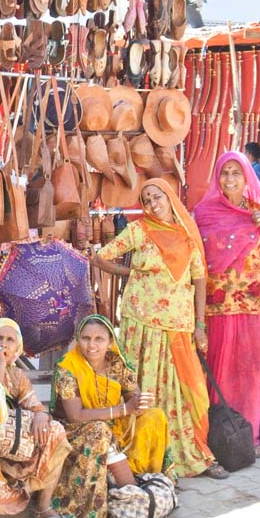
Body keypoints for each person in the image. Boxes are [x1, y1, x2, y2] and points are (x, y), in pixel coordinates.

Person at [91, 178, 226, 479]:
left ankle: (185, 454)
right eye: (147, 200)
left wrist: (200, 325)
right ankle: (144, 457)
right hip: (141, 326)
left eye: (157, 197)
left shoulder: (188, 233)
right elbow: (100, 258)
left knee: (183, 392)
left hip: (177, 325)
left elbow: (199, 280)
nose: (153, 204)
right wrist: (131, 272)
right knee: (143, 388)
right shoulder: (139, 230)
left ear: (169, 197)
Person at [194, 151, 260, 453]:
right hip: (214, 308)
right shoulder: (203, 213)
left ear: (247, 177)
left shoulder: (258, 212)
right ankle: (218, 436)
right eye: (224, 172)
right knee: (216, 373)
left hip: (251, 307)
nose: (229, 179)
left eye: (236, 173)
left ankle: (248, 437)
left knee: (249, 373)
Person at [50, 314, 168, 518]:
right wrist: (123, 409)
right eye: (86, 338)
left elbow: (133, 397)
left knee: (155, 417)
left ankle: (143, 477)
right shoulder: (68, 367)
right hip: (76, 429)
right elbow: (75, 415)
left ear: (110, 342)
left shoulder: (116, 363)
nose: (91, 345)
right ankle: (125, 492)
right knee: (100, 429)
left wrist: (139, 402)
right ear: (78, 339)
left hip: (114, 423)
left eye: (99, 339)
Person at [0, 317, 73, 518]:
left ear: (17, 347)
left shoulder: (17, 375)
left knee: (55, 431)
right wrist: (0, 366)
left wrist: (40, 415)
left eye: (10, 340)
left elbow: (35, 406)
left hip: (10, 439)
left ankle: (43, 507)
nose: (3, 344)